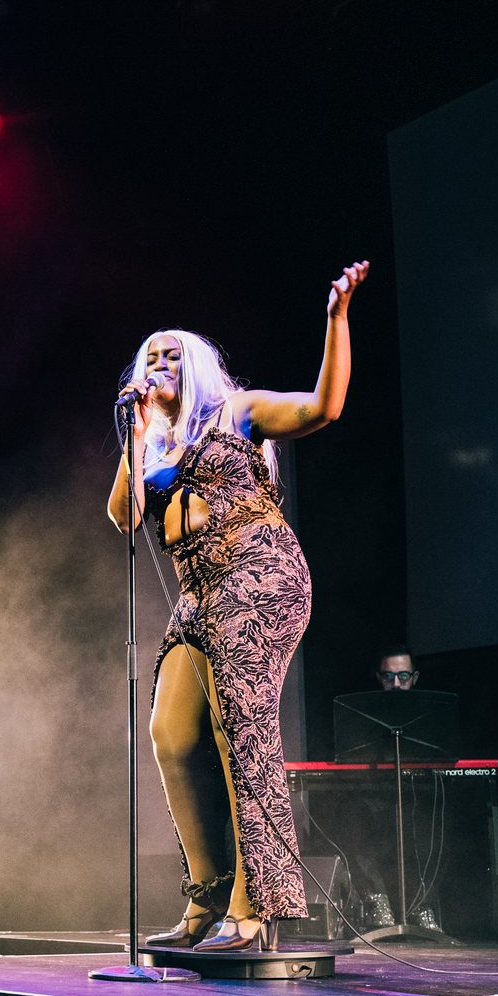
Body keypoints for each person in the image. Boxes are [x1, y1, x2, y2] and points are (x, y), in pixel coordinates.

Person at [108, 260, 369, 953]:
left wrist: (335, 320)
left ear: (196, 366)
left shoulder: (237, 411)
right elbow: (121, 517)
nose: (159, 364)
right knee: (170, 734)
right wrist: (137, 434)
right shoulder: (147, 439)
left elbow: (322, 407)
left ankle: (256, 908)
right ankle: (204, 899)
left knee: (241, 733)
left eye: (172, 355)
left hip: (257, 571)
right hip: (196, 590)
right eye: (150, 356)